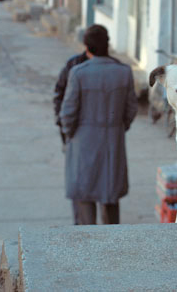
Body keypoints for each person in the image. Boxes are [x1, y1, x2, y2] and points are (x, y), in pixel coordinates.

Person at [60, 25, 139, 225]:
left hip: (83, 141)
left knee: (84, 198)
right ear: (107, 45)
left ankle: (87, 242)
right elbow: (131, 109)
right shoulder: (123, 72)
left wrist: (70, 135)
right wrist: (118, 128)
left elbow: (67, 113)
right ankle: (111, 241)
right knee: (110, 195)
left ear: (87, 47)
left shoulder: (78, 73)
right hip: (113, 140)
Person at [53, 50, 89, 148]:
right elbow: (60, 92)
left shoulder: (111, 69)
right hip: (74, 127)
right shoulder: (74, 64)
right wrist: (60, 119)